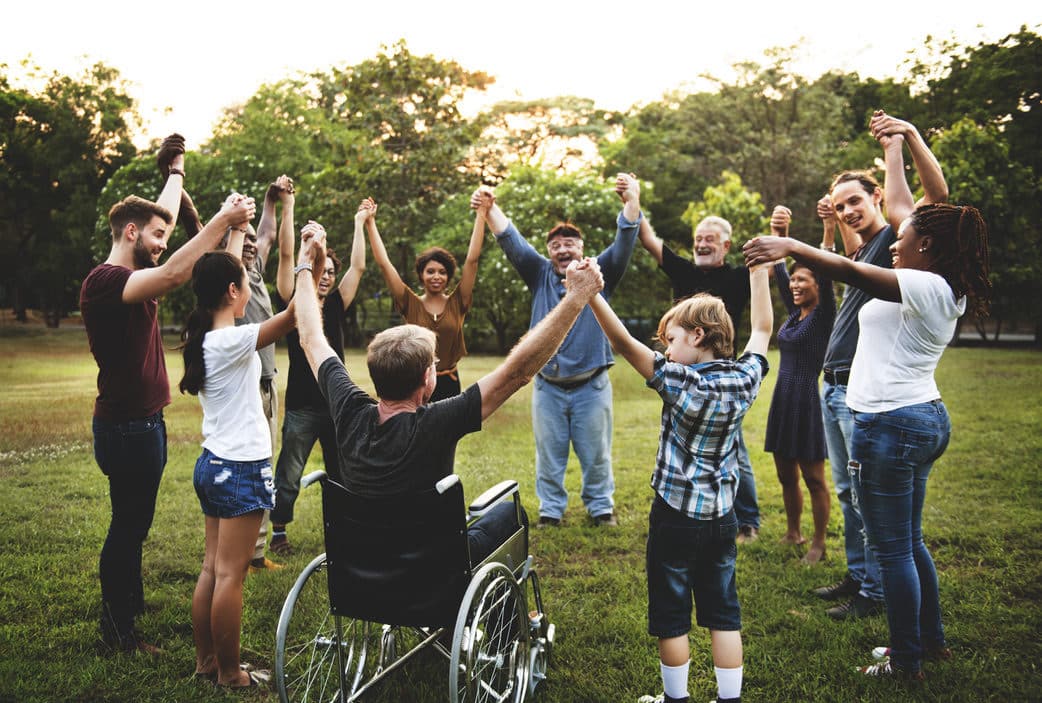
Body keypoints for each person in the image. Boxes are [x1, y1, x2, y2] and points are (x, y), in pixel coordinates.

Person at [744, 118, 990, 679]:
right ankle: (931, 642)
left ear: (924, 245)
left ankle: (905, 661)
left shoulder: (924, 284)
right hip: (917, 417)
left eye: (902, 241)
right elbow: (890, 226)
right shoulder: (935, 281)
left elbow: (852, 267)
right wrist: (895, 146)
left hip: (892, 424)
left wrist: (792, 243)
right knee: (909, 541)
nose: (894, 246)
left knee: (895, 549)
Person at [291, 226, 605, 561]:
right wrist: (575, 298)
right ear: (429, 379)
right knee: (512, 516)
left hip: (364, 563)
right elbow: (519, 371)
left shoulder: (348, 409)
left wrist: (305, 263)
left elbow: (310, 336)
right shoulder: (439, 421)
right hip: (434, 565)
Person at [80, 136, 256, 654]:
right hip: (126, 428)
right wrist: (223, 221)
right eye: (156, 236)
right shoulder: (106, 281)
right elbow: (179, 269)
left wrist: (175, 171)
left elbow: (166, 225)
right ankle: (118, 632)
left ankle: (127, 611)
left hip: (144, 424)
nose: (163, 242)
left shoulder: (132, 272)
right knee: (128, 527)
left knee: (133, 523)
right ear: (129, 233)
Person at [586, 256, 773, 703]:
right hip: (722, 517)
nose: (667, 350)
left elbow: (621, 340)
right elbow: (763, 330)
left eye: (671, 339)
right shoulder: (746, 377)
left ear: (697, 335)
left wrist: (590, 292)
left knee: (672, 615)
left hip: (674, 515)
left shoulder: (679, 381)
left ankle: (676, 699)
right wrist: (760, 271)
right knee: (723, 612)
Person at [809, 111, 949, 621]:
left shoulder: (897, 244)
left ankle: (875, 593)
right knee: (850, 493)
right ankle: (860, 574)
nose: (848, 210)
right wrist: (830, 221)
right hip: (837, 384)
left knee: (872, 504)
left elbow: (921, 202)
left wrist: (900, 141)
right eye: (841, 203)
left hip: (870, 398)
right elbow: (849, 252)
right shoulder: (878, 248)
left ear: (877, 201)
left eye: (855, 202)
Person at [179, 230, 310, 688]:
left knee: (213, 569)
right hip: (239, 470)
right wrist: (308, 259)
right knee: (231, 574)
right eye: (245, 285)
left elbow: (226, 274)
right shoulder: (232, 341)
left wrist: (236, 230)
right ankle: (232, 675)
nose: (251, 291)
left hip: (213, 464)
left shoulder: (207, 336)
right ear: (233, 292)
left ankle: (207, 663)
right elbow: (295, 315)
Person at [473, 173, 642, 527]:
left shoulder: (600, 273)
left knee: (596, 455)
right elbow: (510, 239)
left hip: (591, 386)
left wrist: (631, 199)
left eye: (570, 243)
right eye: (556, 245)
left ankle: (600, 509)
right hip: (547, 386)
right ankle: (551, 511)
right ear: (549, 253)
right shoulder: (539, 274)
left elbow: (626, 238)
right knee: (549, 456)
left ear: (581, 248)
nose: (563, 249)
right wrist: (490, 208)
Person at [636, 211, 761, 542]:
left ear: (726, 245)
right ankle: (684, 504)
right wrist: (632, 202)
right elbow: (648, 239)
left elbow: (767, 281)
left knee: (735, 451)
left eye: (709, 239)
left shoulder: (737, 278)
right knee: (680, 443)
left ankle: (746, 520)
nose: (702, 244)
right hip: (681, 376)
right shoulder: (685, 271)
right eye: (698, 240)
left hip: (722, 379)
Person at [268, 201, 366, 556]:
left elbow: (358, 265)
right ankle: (278, 532)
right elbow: (285, 255)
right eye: (321, 271)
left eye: (330, 273)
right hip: (302, 407)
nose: (326, 277)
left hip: (338, 405)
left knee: (343, 472)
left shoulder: (338, 303)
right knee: (290, 472)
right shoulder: (295, 303)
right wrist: (290, 211)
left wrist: (360, 222)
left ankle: (343, 531)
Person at [763, 205, 836, 565]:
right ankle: (794, 532)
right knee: (785, 474)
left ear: (818, 285)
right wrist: (780, 231)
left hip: (807, 399)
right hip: (782, 399)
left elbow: (825, 265)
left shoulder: (824, 315)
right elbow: (778, 271)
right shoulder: (795, 314)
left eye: (802, 279)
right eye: (792, 280)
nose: (794, 284)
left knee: (814, 478)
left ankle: (819, 543)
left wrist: (827, 229)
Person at [364, 194, 488, 401]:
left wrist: (481, 214)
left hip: (449, 382)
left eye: (442, 271)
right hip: (414, 382)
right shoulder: (409, 302)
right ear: (421, 275)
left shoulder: (459, 302)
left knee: (448, 433)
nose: (436, 276)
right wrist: (370, 223)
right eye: (430, 271)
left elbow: (472, 260)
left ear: (448, 276)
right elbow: (385, 265)